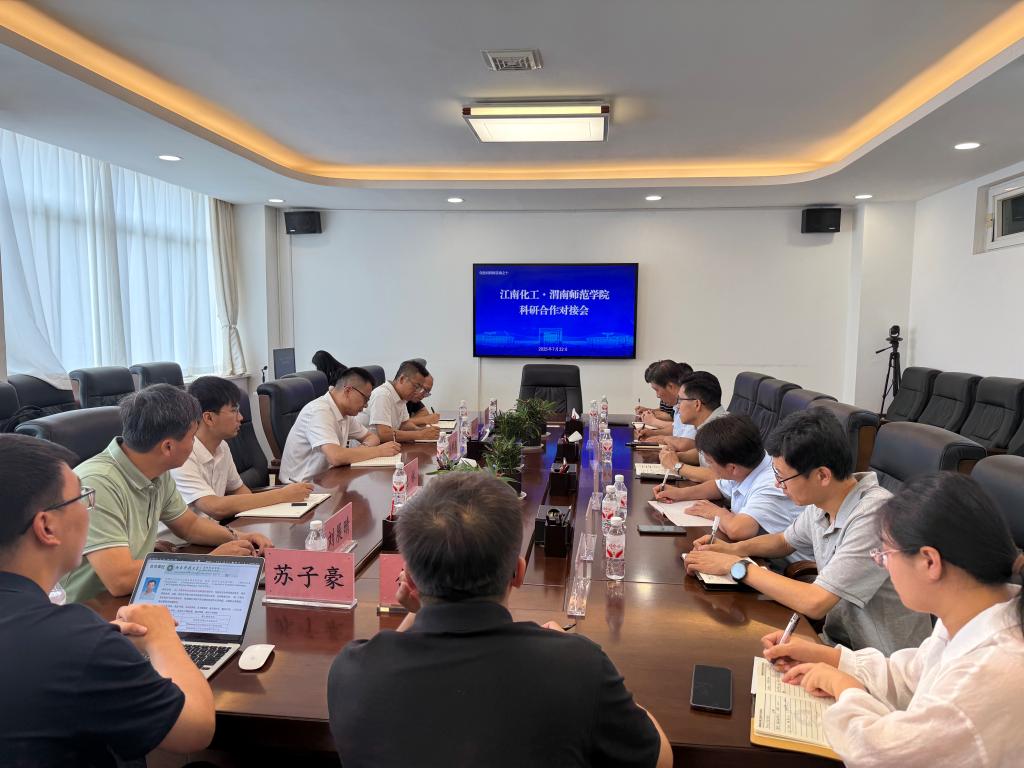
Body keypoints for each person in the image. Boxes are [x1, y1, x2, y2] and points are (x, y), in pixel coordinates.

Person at [327, 472, 671, 768]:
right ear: (518, 573)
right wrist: (583, 662)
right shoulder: (578, 666)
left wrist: (416, 612)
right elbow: (661, 759)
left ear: (410, 580)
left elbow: (389, 653)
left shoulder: (352, 671)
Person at [760, 472, 1024, 766]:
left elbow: (880, 755)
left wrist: (845, 688)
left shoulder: (988, 673)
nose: (882, 564)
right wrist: (827, 658)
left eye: (884, 554)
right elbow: (910, 677)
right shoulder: (977, 612)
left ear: (929, 562)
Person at [0, 434, 215, 766]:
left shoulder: (73, 638)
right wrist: (162, 637)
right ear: (47, 526)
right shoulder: (75, 641)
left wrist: (100, 643)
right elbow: (195, 729)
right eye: (82, 498)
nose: (89, 510)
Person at [685, 409, 931, 654]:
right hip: (838, 644)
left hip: (883, 662)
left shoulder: (875, 517)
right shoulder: (824, 501)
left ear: (822, 475)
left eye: (783, 478)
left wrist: (736, 567)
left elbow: (815, 602)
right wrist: (731, 549)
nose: (777, 485)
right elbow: (783, 541)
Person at [62, 384, 271, 603]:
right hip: (92, 607)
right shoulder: (97, 484)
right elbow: (119, 578)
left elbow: (189, 526)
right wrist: (209, 562)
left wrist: (240, 538)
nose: (194, 444)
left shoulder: (156, 470)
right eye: (192, 437)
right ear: (168, 447)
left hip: (140, 594)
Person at [653, 414, 810, 560]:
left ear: (732, 468)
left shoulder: (772, 483)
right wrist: (680, 493)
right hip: (757, 551)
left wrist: (717, 513)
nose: (708, 466)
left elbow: (738, 530)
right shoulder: (746, 465)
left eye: (710, 462)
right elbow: (718, 487)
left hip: (785, 566)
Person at [171, 376, 314, 520]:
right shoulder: (183, 455)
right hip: (186, 534)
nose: (241, 417)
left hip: (216, 528)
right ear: (209, 418)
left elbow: (238, 490)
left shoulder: (222, 446)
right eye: (234, 411)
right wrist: (282, 495)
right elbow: (214, 507)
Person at [279, 366, 400, 482]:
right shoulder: (319, 411)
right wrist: (378, 451)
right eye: (365, 399)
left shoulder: (344, 412)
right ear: (348, 391)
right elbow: (335, 457)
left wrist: (362, 450)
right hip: (300, 486)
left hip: (328, 479)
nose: (366, 405)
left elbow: (371, 437)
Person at [657, 370, 728, 482]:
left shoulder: (722, 431)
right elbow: (702, 454)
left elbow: (721, 477)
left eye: (680, 401)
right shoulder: (711, 424)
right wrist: (677, 456)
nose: (677, 407)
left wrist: (676, 465)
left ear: (697, 404)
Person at [365, 360, 441, 443]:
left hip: (384, 446)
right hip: (366, 448)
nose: (418, 392)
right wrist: (420, 435)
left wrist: (420, 430)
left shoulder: (402, 397)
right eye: (416, 386)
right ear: (402, 379)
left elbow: (403, 424)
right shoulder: (382, 395)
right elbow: (384, 434)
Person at [636, 360, 694, 442]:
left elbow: (685, 443)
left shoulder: (690, 405)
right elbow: (677, 429)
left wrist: (661, 438)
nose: (657, 396)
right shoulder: (678, 405)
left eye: (657, 390)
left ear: (670, 386)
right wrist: (652, 433)